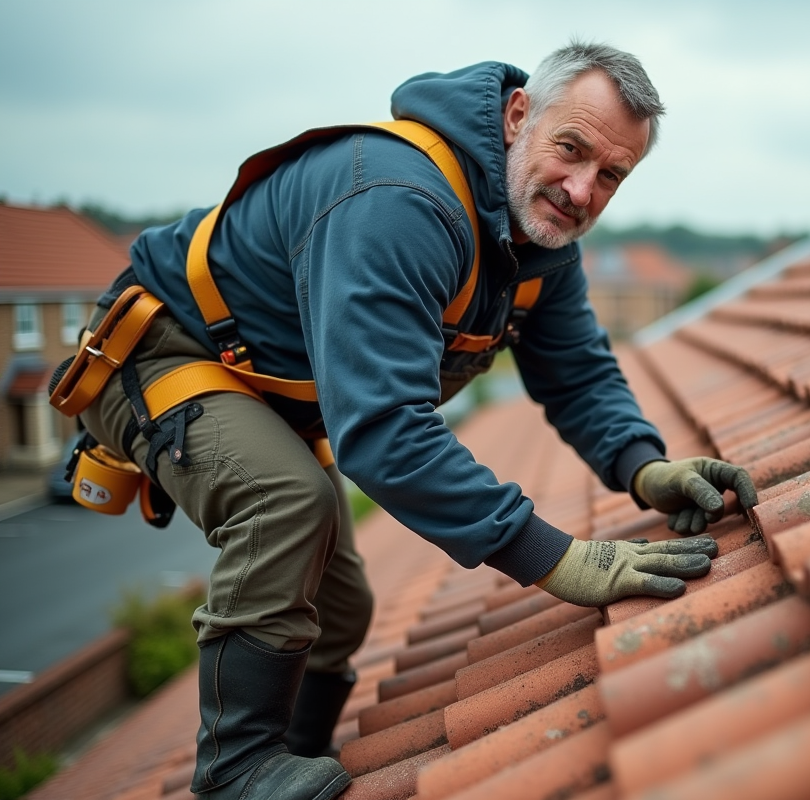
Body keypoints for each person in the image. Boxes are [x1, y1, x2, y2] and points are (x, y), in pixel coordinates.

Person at [74, 41, 757, 800]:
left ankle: (297, 753)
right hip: (165, 349)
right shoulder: (399, 201)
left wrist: (645, 466)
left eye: (610, 176)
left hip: (273, 385)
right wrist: (560, 560)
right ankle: (236, 769)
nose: (581, 189)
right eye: (572, 149)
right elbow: (384, 431)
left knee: (341, 608)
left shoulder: (539, 244)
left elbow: (577, 372)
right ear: (518, 115)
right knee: (283, 504)